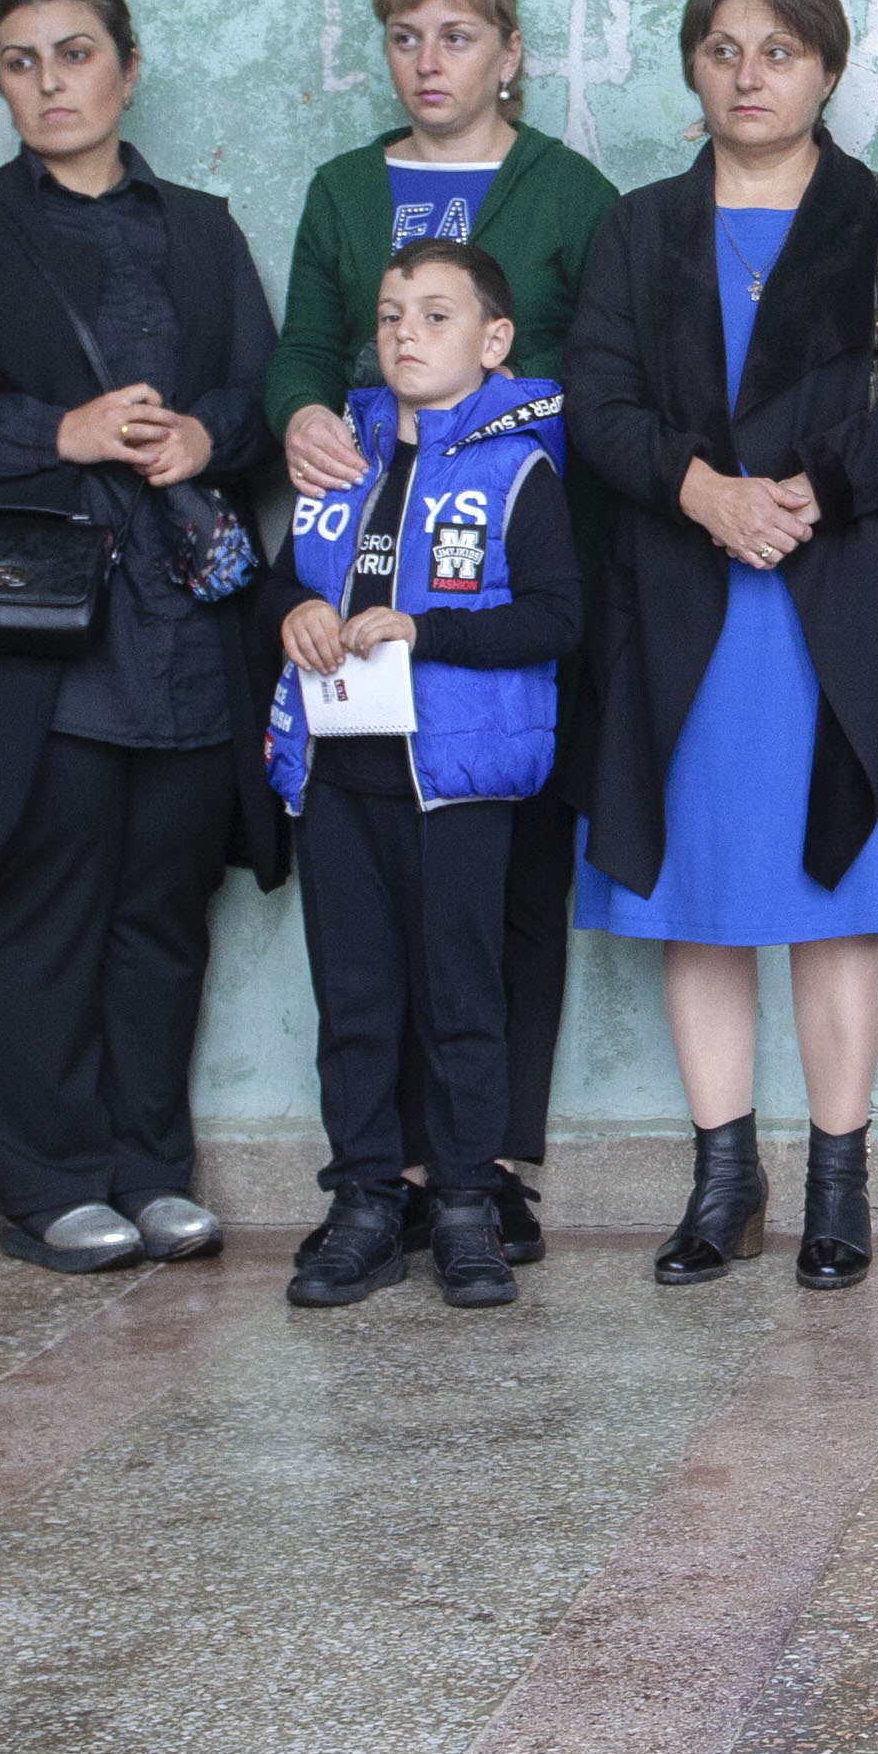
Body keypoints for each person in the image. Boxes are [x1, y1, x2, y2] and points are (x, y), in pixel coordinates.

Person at [561, 0, 878, 1292]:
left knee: (833, 898)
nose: (750, 76)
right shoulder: (642, 226)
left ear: (828, 71)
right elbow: (595, 400)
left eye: (780, 51)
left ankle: (838, 1190)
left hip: (828, 594)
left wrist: (817, 489)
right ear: (693, 68)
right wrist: (700, 491)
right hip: (680, 597)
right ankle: (723, 1184)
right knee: (700, 902)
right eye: (723, 50)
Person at [0, 0, 285, 1276]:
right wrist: (61, 430)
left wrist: (206, 436)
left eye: (74, 53)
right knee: (42, 904)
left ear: (128, 67)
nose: (49, 82)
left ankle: (151, 1172)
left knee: (162, 912)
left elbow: (263, 395)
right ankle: (46, 1183)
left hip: (184, 618)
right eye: (21, 61)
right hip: (31, 626)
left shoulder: (203, 229)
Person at [269, 0, 623, 1262]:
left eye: (458, 35)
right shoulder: (343, 190)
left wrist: (511, 442)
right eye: (406, 36)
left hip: (508, 578)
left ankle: (489, 1169)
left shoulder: (568, 192)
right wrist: (305, 417)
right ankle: (391, 1174)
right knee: (369, 936)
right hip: (369, 560)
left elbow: (613, 366)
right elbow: (305, 350)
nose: (430, 61)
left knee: (500, 892)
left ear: (509, 52)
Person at [269, 242, 580, 1313]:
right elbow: (283, 579)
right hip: (335, 772)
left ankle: (463, 1204)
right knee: (355, 998)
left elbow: (557, 616)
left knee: (461, 996)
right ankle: (364, 1202)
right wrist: (295, 611)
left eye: (437, 315)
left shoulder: (519, 468)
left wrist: (426, 629)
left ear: (494, 341)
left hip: (456, 779)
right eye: (391, 314)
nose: (407, 333)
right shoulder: (338, 455)